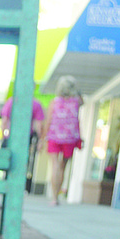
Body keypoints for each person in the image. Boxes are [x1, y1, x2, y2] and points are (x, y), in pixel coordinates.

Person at [40, 76, 83, 205]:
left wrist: (42, 139)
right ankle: (57, 195)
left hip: (54, 137)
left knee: (55, 165)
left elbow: (48, 121)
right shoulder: (76, 102)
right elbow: (82, 100)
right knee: (63, 167)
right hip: (69, 139)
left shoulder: (54, 102)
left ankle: (54, 197)